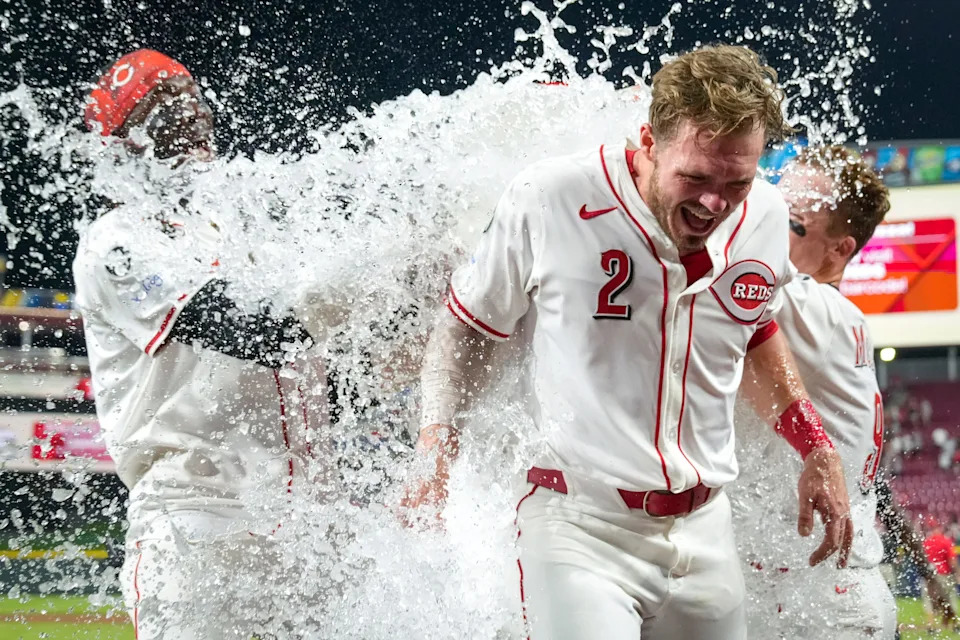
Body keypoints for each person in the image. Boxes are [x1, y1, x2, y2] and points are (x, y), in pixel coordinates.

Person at [403, 44, 853, 640]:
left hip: (705, 532)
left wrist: (815, 446)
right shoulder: (552, 196)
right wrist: (435, 453)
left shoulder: (766, 214)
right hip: (579, 527)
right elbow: (467, 327)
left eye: (736, 182)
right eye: (694, 177)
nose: (715, 203)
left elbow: (753, 330)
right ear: (647, 142)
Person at [74, 49, 334, 639]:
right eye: (162, 112)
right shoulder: (117, 237)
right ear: (125, 147)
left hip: (309, 520)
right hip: (197, 516)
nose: (188, 118)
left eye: (191, 100)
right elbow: (252, 330)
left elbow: (320, 371)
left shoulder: (240, 230)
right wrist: (357, 290)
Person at [731, 146, 895, 638]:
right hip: (815, 591)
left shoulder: (819, 312)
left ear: (839, 250)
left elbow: (722, 258)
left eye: (789, 220)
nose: (766, 226)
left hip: (822, 603)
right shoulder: (835, 319)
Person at [923, 517, 960, 630]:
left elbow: (922, 560)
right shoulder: (946, 541)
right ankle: (955, 624)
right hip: (944, 574)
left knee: (929, 601)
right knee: (949, 599)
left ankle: (931, 626)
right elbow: (952, 561)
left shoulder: (926, 542)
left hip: (930, 576)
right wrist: (957, 573)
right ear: (939, 527)